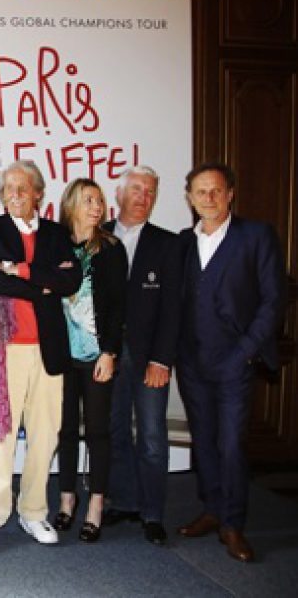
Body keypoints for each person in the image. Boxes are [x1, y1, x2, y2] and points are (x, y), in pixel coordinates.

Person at [0, 160, 81, 550]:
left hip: (47, 351)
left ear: (38, 194)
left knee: (45, 436)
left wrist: (22, 272)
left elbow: (70, 279)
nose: (14, 195)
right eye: (8, 189)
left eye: (22, 188)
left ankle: (33, 513)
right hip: (2, 350)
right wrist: (40, 285)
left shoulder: (57, 234)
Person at [176, 162, 285, 563]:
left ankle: (234, 523)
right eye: (200, 192)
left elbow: (273, 301)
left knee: (232, 444)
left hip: (236, 362)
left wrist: (246, 352)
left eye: (216, 191)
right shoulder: (183, 244)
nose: (209, 198)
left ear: (231, 193)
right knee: (204, 440)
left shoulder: (256, 236)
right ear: (189, 198)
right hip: (192, 362)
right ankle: (213, 509)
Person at [104, 166, 182, 546]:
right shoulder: (95, 235)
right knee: (115, 430)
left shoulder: (168, 244)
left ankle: (152, 513)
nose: (143, 197)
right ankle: (124, 500)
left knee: (152, 435)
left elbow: (173, 309)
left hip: (150, 356)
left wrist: (162, 360)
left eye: (150, 192)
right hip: (107, 353)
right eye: (136, 189)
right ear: (118, 194)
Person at [53, 179, 127, 543]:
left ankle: (96, 504)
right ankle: (67, 499)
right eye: (88, 200)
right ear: (71, 206)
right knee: (65, 430)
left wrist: (110, 352)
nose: (97, 207)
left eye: (99, 200)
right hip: (60, 357)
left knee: (98, 431)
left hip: (97, 356)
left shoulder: (112, 249)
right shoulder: (55, 244)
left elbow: (117, 309)